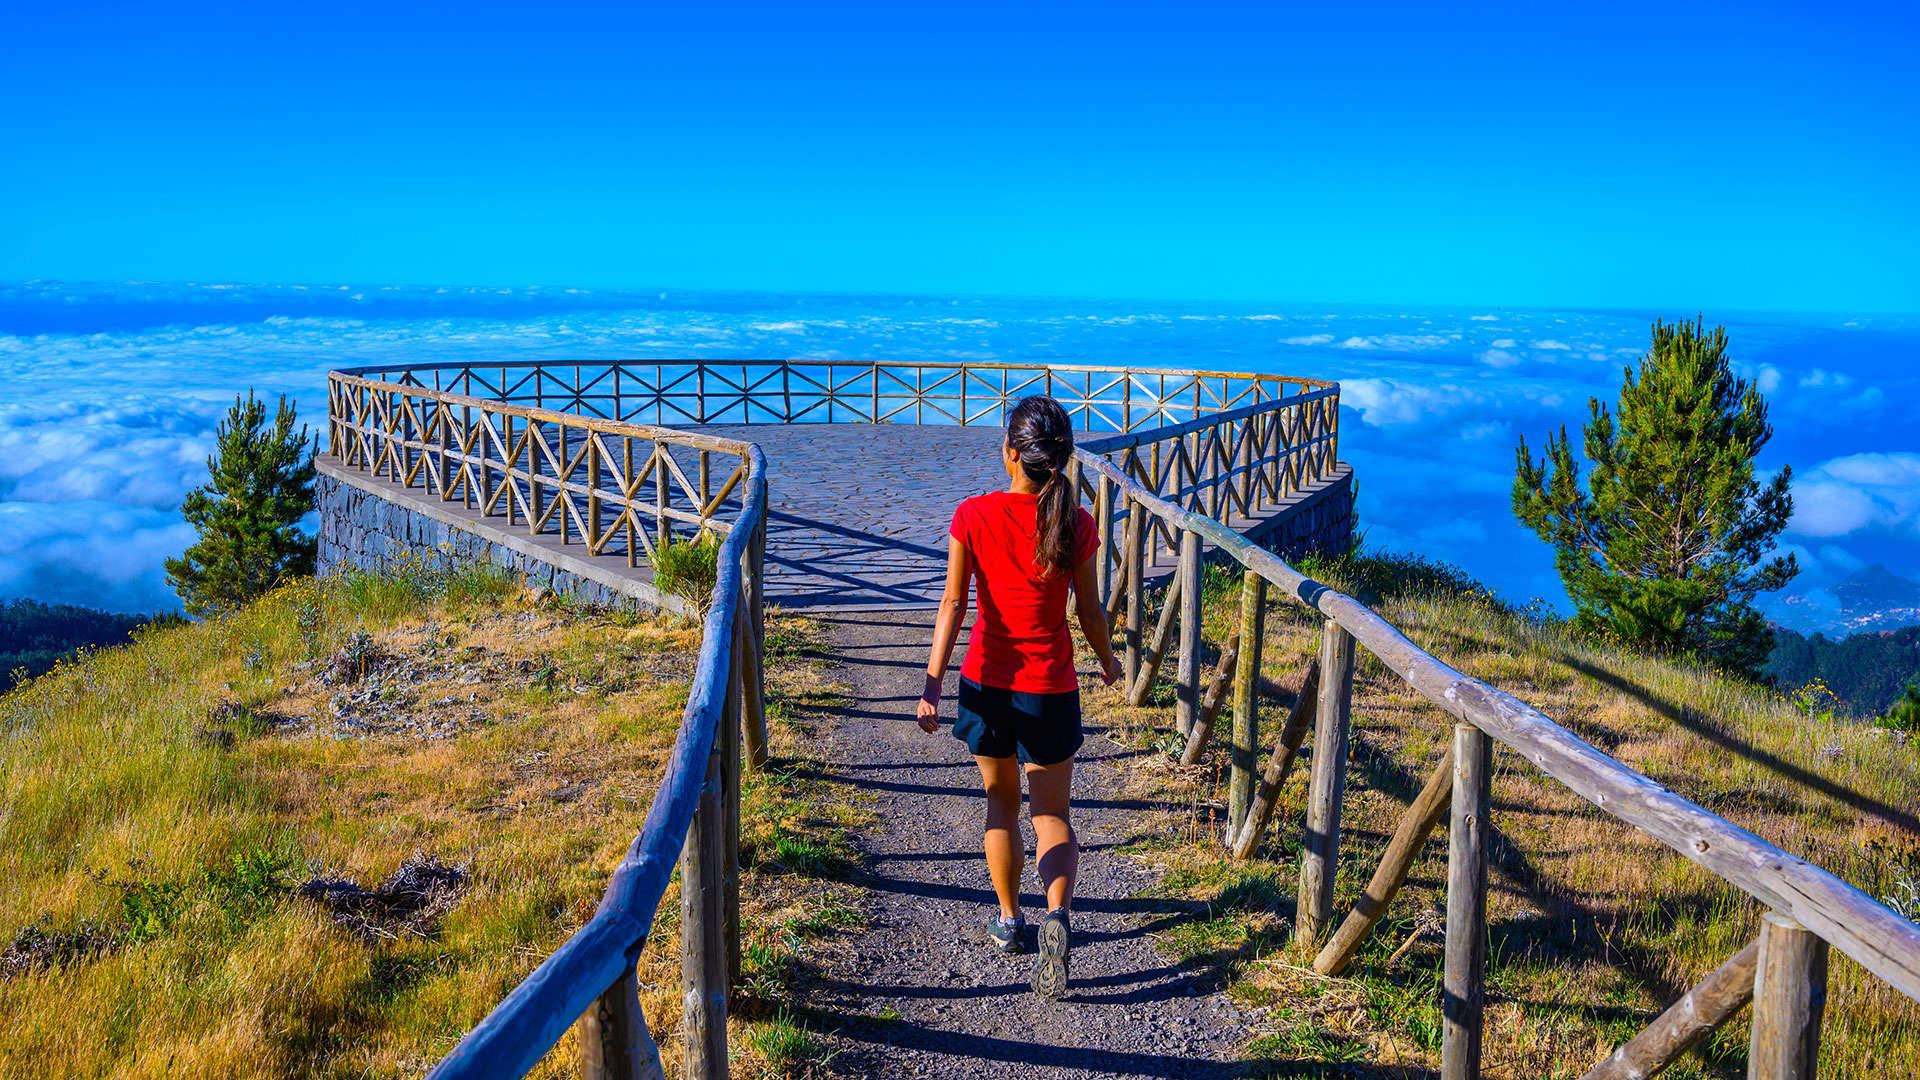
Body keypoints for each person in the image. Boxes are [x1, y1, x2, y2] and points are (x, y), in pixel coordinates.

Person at [918, 394, 1123, 1000]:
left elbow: (954, 604)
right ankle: (1057, 913)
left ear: (1010, 453)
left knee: (1001, 803)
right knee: (1053, 814)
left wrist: (933, 683)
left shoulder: (972, 515)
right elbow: (1088, 608)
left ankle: (1010, 921)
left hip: (987, 682)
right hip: (1051, 687)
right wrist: (1108, 661)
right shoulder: (1076, 522)